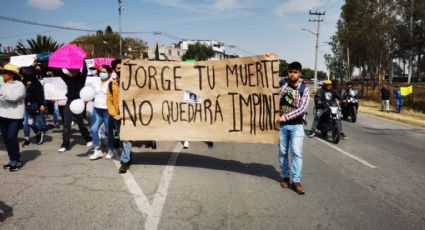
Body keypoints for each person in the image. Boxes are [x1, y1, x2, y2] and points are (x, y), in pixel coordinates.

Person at [276, 61, 309, 194]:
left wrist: (283, 117)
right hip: (282, 126)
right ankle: (285, 177)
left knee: (296, 153)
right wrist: (267, 58)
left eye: (295, 72)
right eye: (290, 71)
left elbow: (302, 109)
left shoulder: (304, 89)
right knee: (283, 152)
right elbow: (266, 76)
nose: (292, 74)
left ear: (300, 73)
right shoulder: (282, 83)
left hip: (297, 125)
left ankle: (296, 181)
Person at [107, 59, 133, 173]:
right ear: (114, 70)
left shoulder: (132, 81)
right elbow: (109, 101)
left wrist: (130, 63)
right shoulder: (111, 84)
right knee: (123, 138)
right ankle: (127, 156)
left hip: (131, 116)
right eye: (118, 68)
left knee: (127, 138)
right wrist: (115, 114)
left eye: (122, 68)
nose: (121, 70)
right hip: (119, 117)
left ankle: (125, 161)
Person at [58, 68, 92, 152]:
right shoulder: (67, 78)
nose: (72, 72)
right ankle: (65, 144)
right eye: (70, 71)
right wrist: (60, 61)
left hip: (79, 103)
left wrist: (82, 59)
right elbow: (59, 72)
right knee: (66, 124)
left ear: (77, 71)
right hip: (69, 103)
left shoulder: (81, 78)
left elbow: (85, 71)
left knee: (81, 123)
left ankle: (88, 139)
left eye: (74, 71)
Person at [0, 64, 26, 172]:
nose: (3, 75)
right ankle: (12, 159)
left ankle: (16, 160)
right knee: (6, 139)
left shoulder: (20, 85)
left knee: (11, 137)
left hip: (15, 116)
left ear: (12, 75)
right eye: (3, 72)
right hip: (2, 115)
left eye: (6, 73)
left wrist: (1, 93)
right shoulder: (2, 83)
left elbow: (14, 98)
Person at [89, 65, 115, 160]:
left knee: (109, 131)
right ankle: (97, 150)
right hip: (96, 109)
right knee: (93, 129)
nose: (102, 73)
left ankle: (110, 150)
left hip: (107, 111)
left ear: (109, 73)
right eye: (101, 71)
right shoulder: (95, 82)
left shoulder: (112, 83)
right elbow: (91, 93)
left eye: (104, 72)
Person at [21, 67, 46, 147]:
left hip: (34, 105)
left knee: (32, 123)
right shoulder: (23, 83)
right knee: (25, 123)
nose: (26, 76)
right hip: (24, 105)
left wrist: (42, 104)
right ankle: (27, 139)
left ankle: (39, 132)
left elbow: (40, 94)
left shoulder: (36, 83)